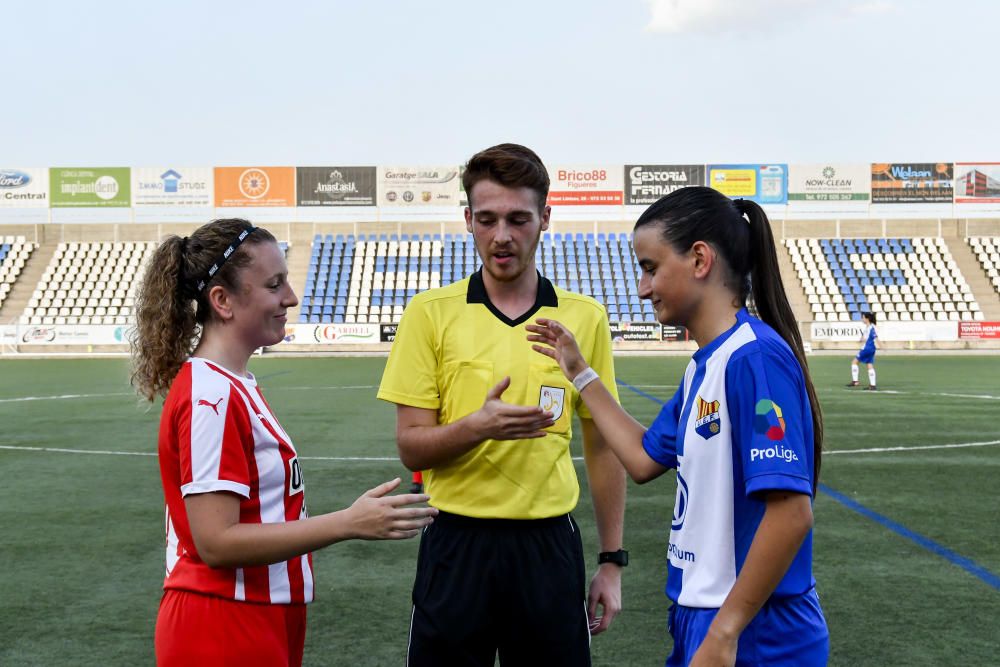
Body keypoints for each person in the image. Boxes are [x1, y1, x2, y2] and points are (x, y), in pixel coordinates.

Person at [527, 187, 829, 667]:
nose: (642, 288)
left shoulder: (755, 360)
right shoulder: (703, 367)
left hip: (755, 630)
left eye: (650, 268)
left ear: (700, 260)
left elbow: (791, 514)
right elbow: (644, 459)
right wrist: (581, 374)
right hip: (705, 617)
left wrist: (726, 632)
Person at [130, 218, 437, 666]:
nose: (291, 298)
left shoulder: (234, 383)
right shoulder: (210, 393)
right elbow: (216, 542)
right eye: (274, 285)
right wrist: (347, 523)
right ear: (223, 301)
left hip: (257, 613)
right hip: (220, 621)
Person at [377, 143, 627, 666]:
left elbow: (603, 446)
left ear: (545, 219)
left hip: (548, 547)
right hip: (455, 543)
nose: (503, 236)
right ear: (468, 219)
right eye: (487, 219)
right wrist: (477, 427)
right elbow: (412, 449)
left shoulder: (584, 319)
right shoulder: (430, 314)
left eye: (518, 218)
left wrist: (610, 561)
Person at [847, 311, 879, 390]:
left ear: (867, 319)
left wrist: (882, 345)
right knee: (869, 364)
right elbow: (866, 337)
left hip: (867, 348)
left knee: (854, 362)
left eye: (863, 317)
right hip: (871, 348)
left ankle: (855, 381)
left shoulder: (871, 327)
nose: (862, 319)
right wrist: (861, 339)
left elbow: (875, 337)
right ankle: (872, 385)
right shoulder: (869, 327)